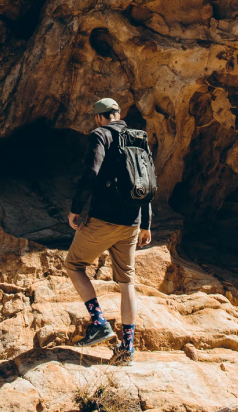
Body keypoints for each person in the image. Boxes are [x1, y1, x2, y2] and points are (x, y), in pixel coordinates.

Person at [64, 97, 152, 366]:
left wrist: (76, 209)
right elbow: (147, 178)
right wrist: (146, 223)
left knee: (74, 265)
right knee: (127, 282)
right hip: (133, 221)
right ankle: (127, 348)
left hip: (104, 218)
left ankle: (99, 322)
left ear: (98, 117)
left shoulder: (100, 135)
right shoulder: (139, 136)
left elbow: (92, 172)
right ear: (118, 114)